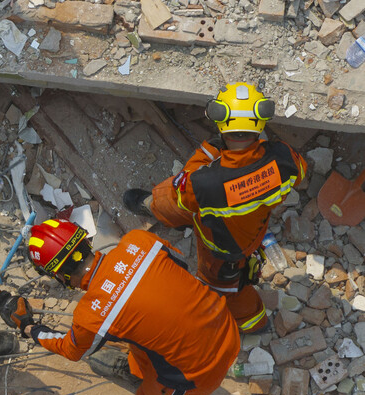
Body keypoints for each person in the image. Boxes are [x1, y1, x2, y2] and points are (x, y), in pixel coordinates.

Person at [21, 219, 240, 395]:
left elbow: (71, 349)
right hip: (225, 325)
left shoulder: (92, 314)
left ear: (59, 275)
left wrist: (31, 329)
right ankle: (138, 371)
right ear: (85, 240)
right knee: (139, 335)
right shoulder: (139, 240)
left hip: (200, 372)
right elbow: (180, 264)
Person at [123, 82, 308, 334]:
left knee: (227, 288)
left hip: (223, 252)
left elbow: (180, 196)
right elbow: (299, 172)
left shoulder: (204, 183)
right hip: (253, 232)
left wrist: (208, 155)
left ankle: (252, 324)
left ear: (221, 125)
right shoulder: (285, 158)